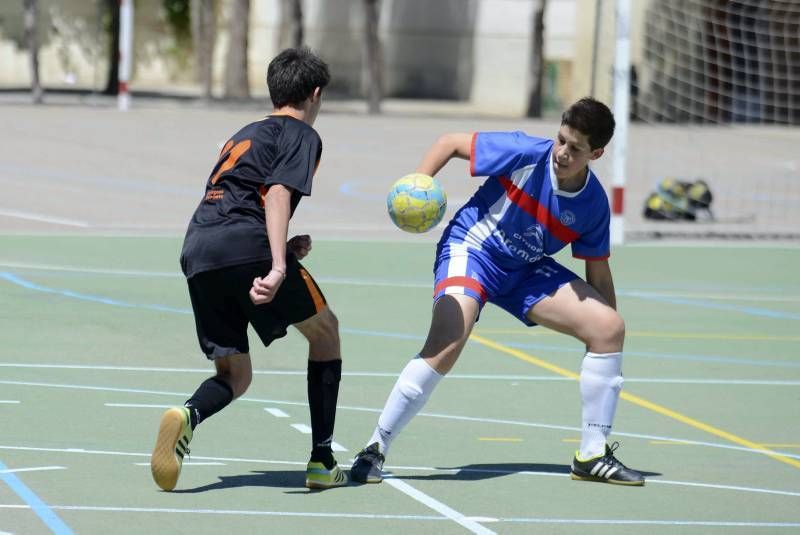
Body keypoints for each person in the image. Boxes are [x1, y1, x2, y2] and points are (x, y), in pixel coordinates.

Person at [351, 97, 645, 486]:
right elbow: (450, 143)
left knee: (609, 327)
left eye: (575, 149)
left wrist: (609, 342)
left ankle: (591, 454)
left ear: (597, 153)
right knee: (447, 341)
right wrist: (417, 183)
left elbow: (598, 272)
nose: (562, 152)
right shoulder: (526, 153)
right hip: (473, 248)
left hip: (525, 270)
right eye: (561, 139)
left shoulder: (593, 204)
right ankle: (375, 448)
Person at [150, 47, 347, 491]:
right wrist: (277, 264)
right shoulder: (302, 134)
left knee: (235, 374)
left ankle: (188, 414)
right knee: (325, 332)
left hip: (199, 247)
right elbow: (276, 194)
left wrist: (282, 246)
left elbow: (241, 195)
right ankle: (322, 460)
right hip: (246, 244)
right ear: (315, 94)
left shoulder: (244, 132)